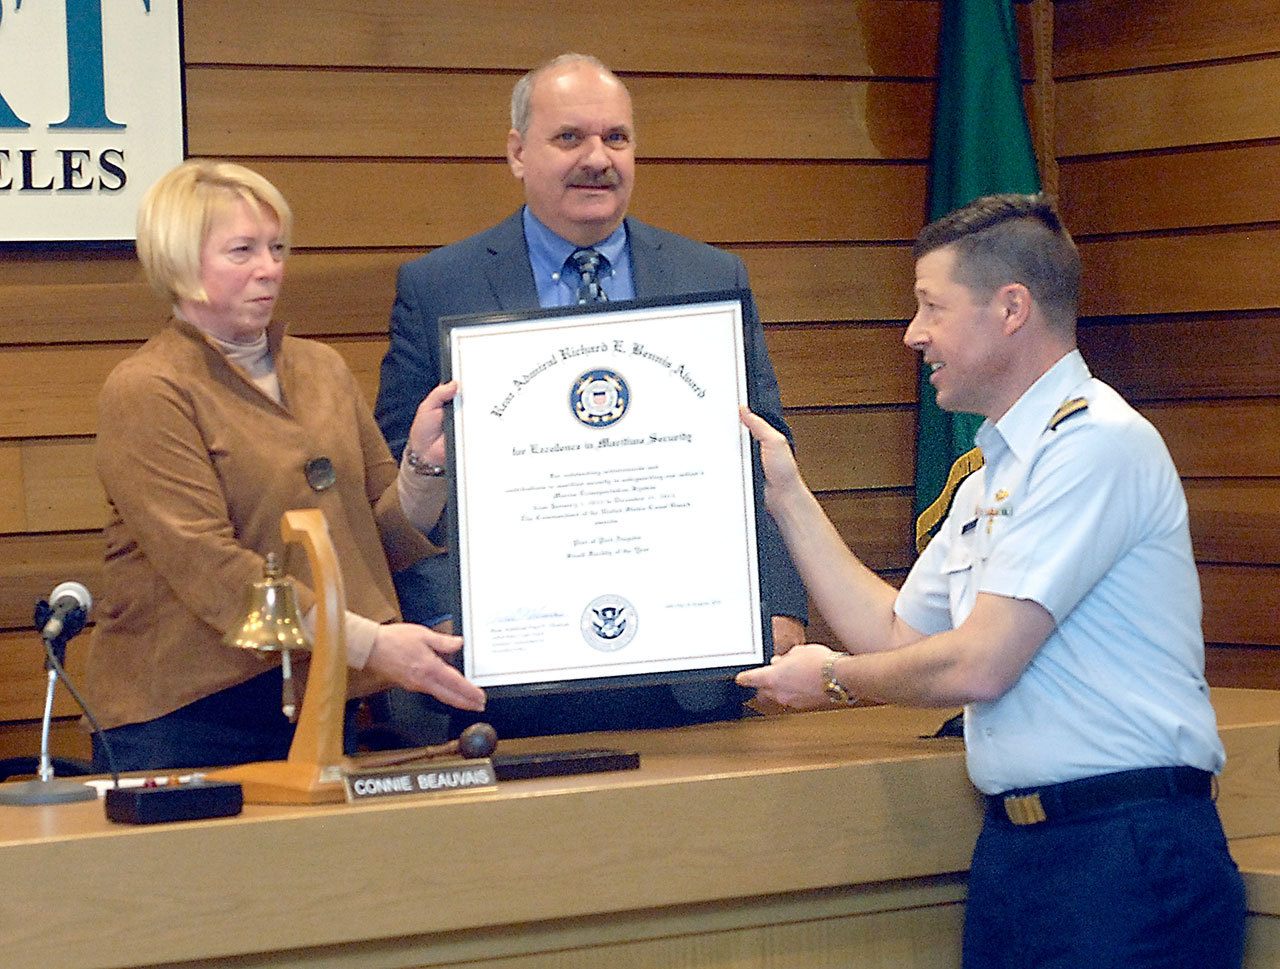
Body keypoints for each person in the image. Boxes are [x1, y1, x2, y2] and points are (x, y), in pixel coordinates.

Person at [735, 194, 1244, 968]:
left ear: (1010, 308)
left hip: (1126, 855)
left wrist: (834, 680)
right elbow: (900, 633)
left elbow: (980, 661)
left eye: (930, 306)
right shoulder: (995, 470)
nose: (914, 334)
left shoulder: (1094, 444)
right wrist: (785, 493)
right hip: (1022, 854)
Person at [373, 52, 807, 739]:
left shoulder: (709, 276)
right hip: (506, 679)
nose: (597, 158)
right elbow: (403, 469)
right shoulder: (438, 288)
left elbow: (766, 450)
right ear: (517, 153)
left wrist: (780, 605)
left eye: (617, 138)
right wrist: (443, 614)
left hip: (687, 670)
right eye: (569, 138)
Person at [82, 159, 485, 773]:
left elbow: (374, 537)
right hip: (192, 716)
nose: (270, 267)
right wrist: (372, 644)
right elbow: (214, 574)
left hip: (327, 696)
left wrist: (426, 469)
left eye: (275, 247)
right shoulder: (147, 389)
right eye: (242, 250)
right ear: (179, 263)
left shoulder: (320, 368)